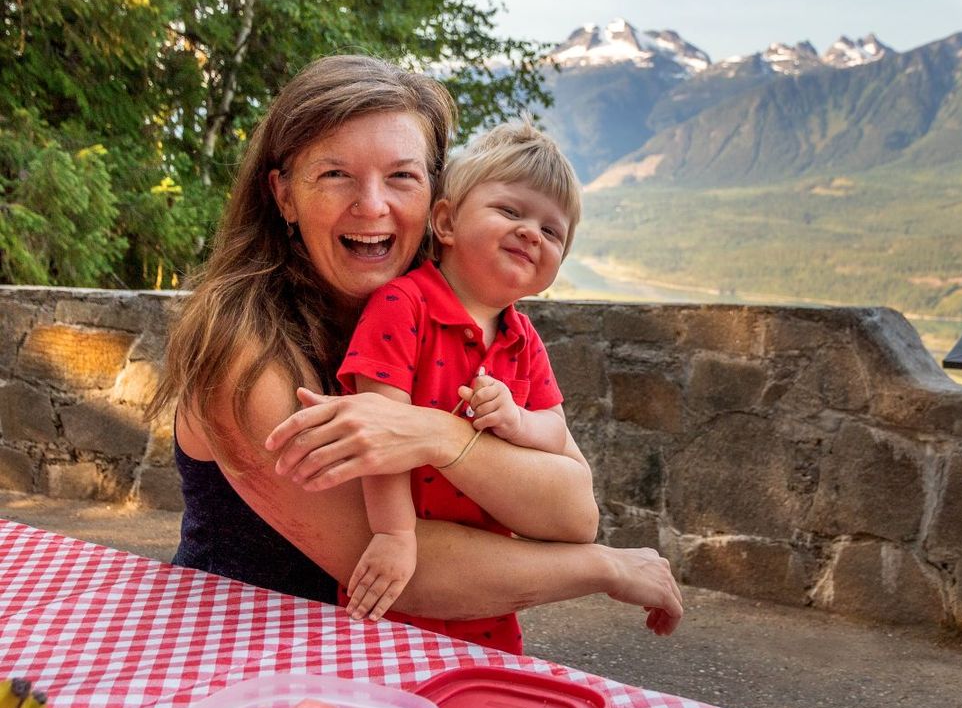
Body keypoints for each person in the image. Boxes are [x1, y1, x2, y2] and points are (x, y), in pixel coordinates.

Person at [148, 54, 682, 645]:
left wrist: (434, 435)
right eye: (334, 175)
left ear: (435, 199)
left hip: (372, 659)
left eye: (401, 177)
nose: (372, 205)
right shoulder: (246, 354)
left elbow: (574, 511)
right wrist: (605, 568)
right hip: (238, 654)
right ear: (284, 195)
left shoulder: (459, 322)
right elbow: (400, 569)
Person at [336, 121, 582, 654]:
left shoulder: (523, 338)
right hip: (397, 571)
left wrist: (517, 420)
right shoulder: (403, 306)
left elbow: (556, 433)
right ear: (445, 222)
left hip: (486, 582)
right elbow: (377, 434)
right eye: (511, 212)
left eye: (553, 231)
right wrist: (395, 536)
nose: (532, 233)